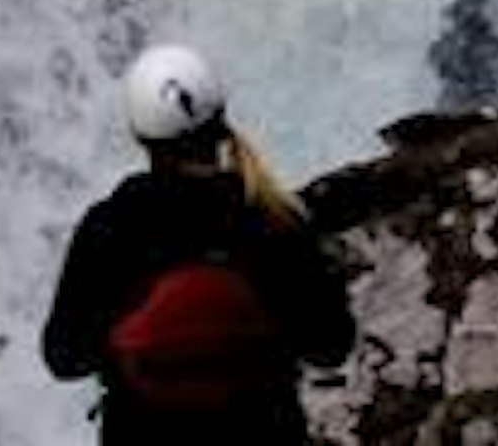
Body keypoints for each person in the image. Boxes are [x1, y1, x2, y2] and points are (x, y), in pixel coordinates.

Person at [43, 43, 355, 444]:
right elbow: (331, 346)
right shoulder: (272, 221)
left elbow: (64, 358)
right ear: (221, 118)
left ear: (139, 136)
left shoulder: (109, 228)